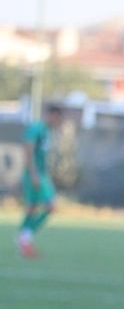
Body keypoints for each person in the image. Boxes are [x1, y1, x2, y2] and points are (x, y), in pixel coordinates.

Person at [16, 104, 63, 258]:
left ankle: (24, 239)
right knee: (48, 206)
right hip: (35, 174)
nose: (57, 121)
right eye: (56, 118)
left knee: (34, 207)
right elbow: (28, 150)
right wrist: (33, 174)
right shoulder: (36, 128)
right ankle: (24, 238)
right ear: (50, 115)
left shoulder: (47, 131)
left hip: (42, 174)